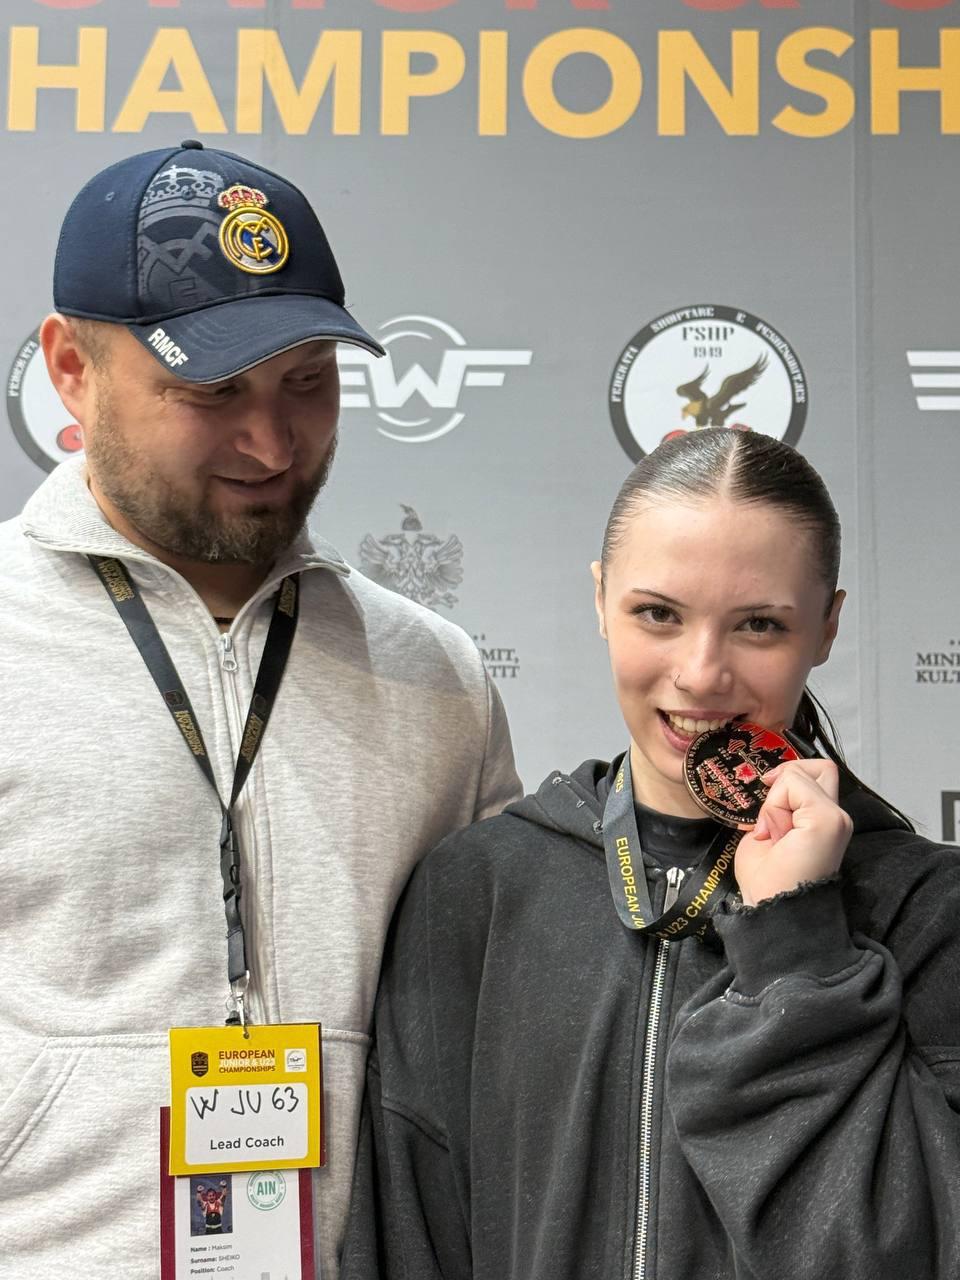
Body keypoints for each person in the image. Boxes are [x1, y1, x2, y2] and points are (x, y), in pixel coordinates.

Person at [0, 141, 520, 1279]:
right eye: (212, 391)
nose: (273, 444)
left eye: (308, 382)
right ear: (72, 369)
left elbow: (491, 1044)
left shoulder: (436, 676)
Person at [343, 427, 960, 1280]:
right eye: (658, 614)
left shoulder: (929, 910)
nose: (701, 673)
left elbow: (902, 1252)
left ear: (826, 627)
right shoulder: (476, 889)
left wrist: (798, 950)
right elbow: (412, 1239)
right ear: (601, 599)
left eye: (759, 624)